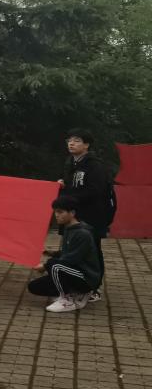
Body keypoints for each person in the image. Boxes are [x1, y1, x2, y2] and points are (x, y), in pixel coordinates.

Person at [58, 128, 111, 300]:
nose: (71, 143)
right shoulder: (70, 163)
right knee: (71, 248)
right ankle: (75, 285)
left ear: (86, 145)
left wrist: (70, 197)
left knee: (92, 251)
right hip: (74, 216)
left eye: (77, 140)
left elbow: (96, 190)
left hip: (92, 216)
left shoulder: (95, 165)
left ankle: (94, 289)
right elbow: (72, 186)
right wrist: (62, 185)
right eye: (69, 140)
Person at [28, 196, 103, 313]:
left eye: (60, 212)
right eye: (55, 212)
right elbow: (67, 253)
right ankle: (77, 293)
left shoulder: (83, 233)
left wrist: (45, 266)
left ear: (72, 213)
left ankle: (68, 300)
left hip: (86, 278)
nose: (56, 215)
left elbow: (71, 259)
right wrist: (49, 253)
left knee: (55, 266)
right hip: (73, 272)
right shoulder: (69, 229)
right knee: (34, 286)